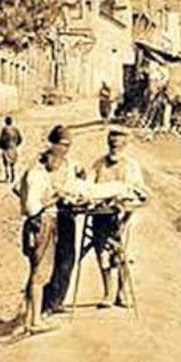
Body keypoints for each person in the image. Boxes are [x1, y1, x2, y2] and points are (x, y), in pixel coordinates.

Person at [91, 129, 148, 308]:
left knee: (124, 255)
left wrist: (128, 204)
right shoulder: (99, 164)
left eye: (117, 144)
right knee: (102, 254)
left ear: (125, 145)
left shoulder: (132, 166)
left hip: (125, 217)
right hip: (101, 216)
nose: (114, 147)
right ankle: (108, 292)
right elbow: (90, 187)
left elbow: (141, 192)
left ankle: (122, 293)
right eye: (111, 144)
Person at [17, 148, 63, 334]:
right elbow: (32, 207)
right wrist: (54, 199)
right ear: (49, 157)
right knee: (41, 273)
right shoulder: (37, 175)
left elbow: (17, 189)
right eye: (57, 161)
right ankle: (35, 321)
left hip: (36, 223)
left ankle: (29, 317)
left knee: (35, 270)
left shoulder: (34, 172)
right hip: (42, 222)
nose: (58, 165)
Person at [41, 125, 85, 316]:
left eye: (68, 145)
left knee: (67, 258)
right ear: (52, 143)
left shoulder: (71, 164)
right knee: (47, 261)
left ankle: (57, 300)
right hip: (48, 216)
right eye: (62, 144)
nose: (65, 149)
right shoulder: (41, 164)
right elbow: (22, 189)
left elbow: (80, 182)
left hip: (66, 214)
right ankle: (42, 304)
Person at [0, 116, 23, 184]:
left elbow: (1, 139)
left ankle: (7, 177)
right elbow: (20, 139)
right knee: (12, 164)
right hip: (13, 148)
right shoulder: (15, 130)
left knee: (6, 163)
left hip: (6, 148)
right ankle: (12, 177)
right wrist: (15, 145)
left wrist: (1, 147)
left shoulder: (4, 130)